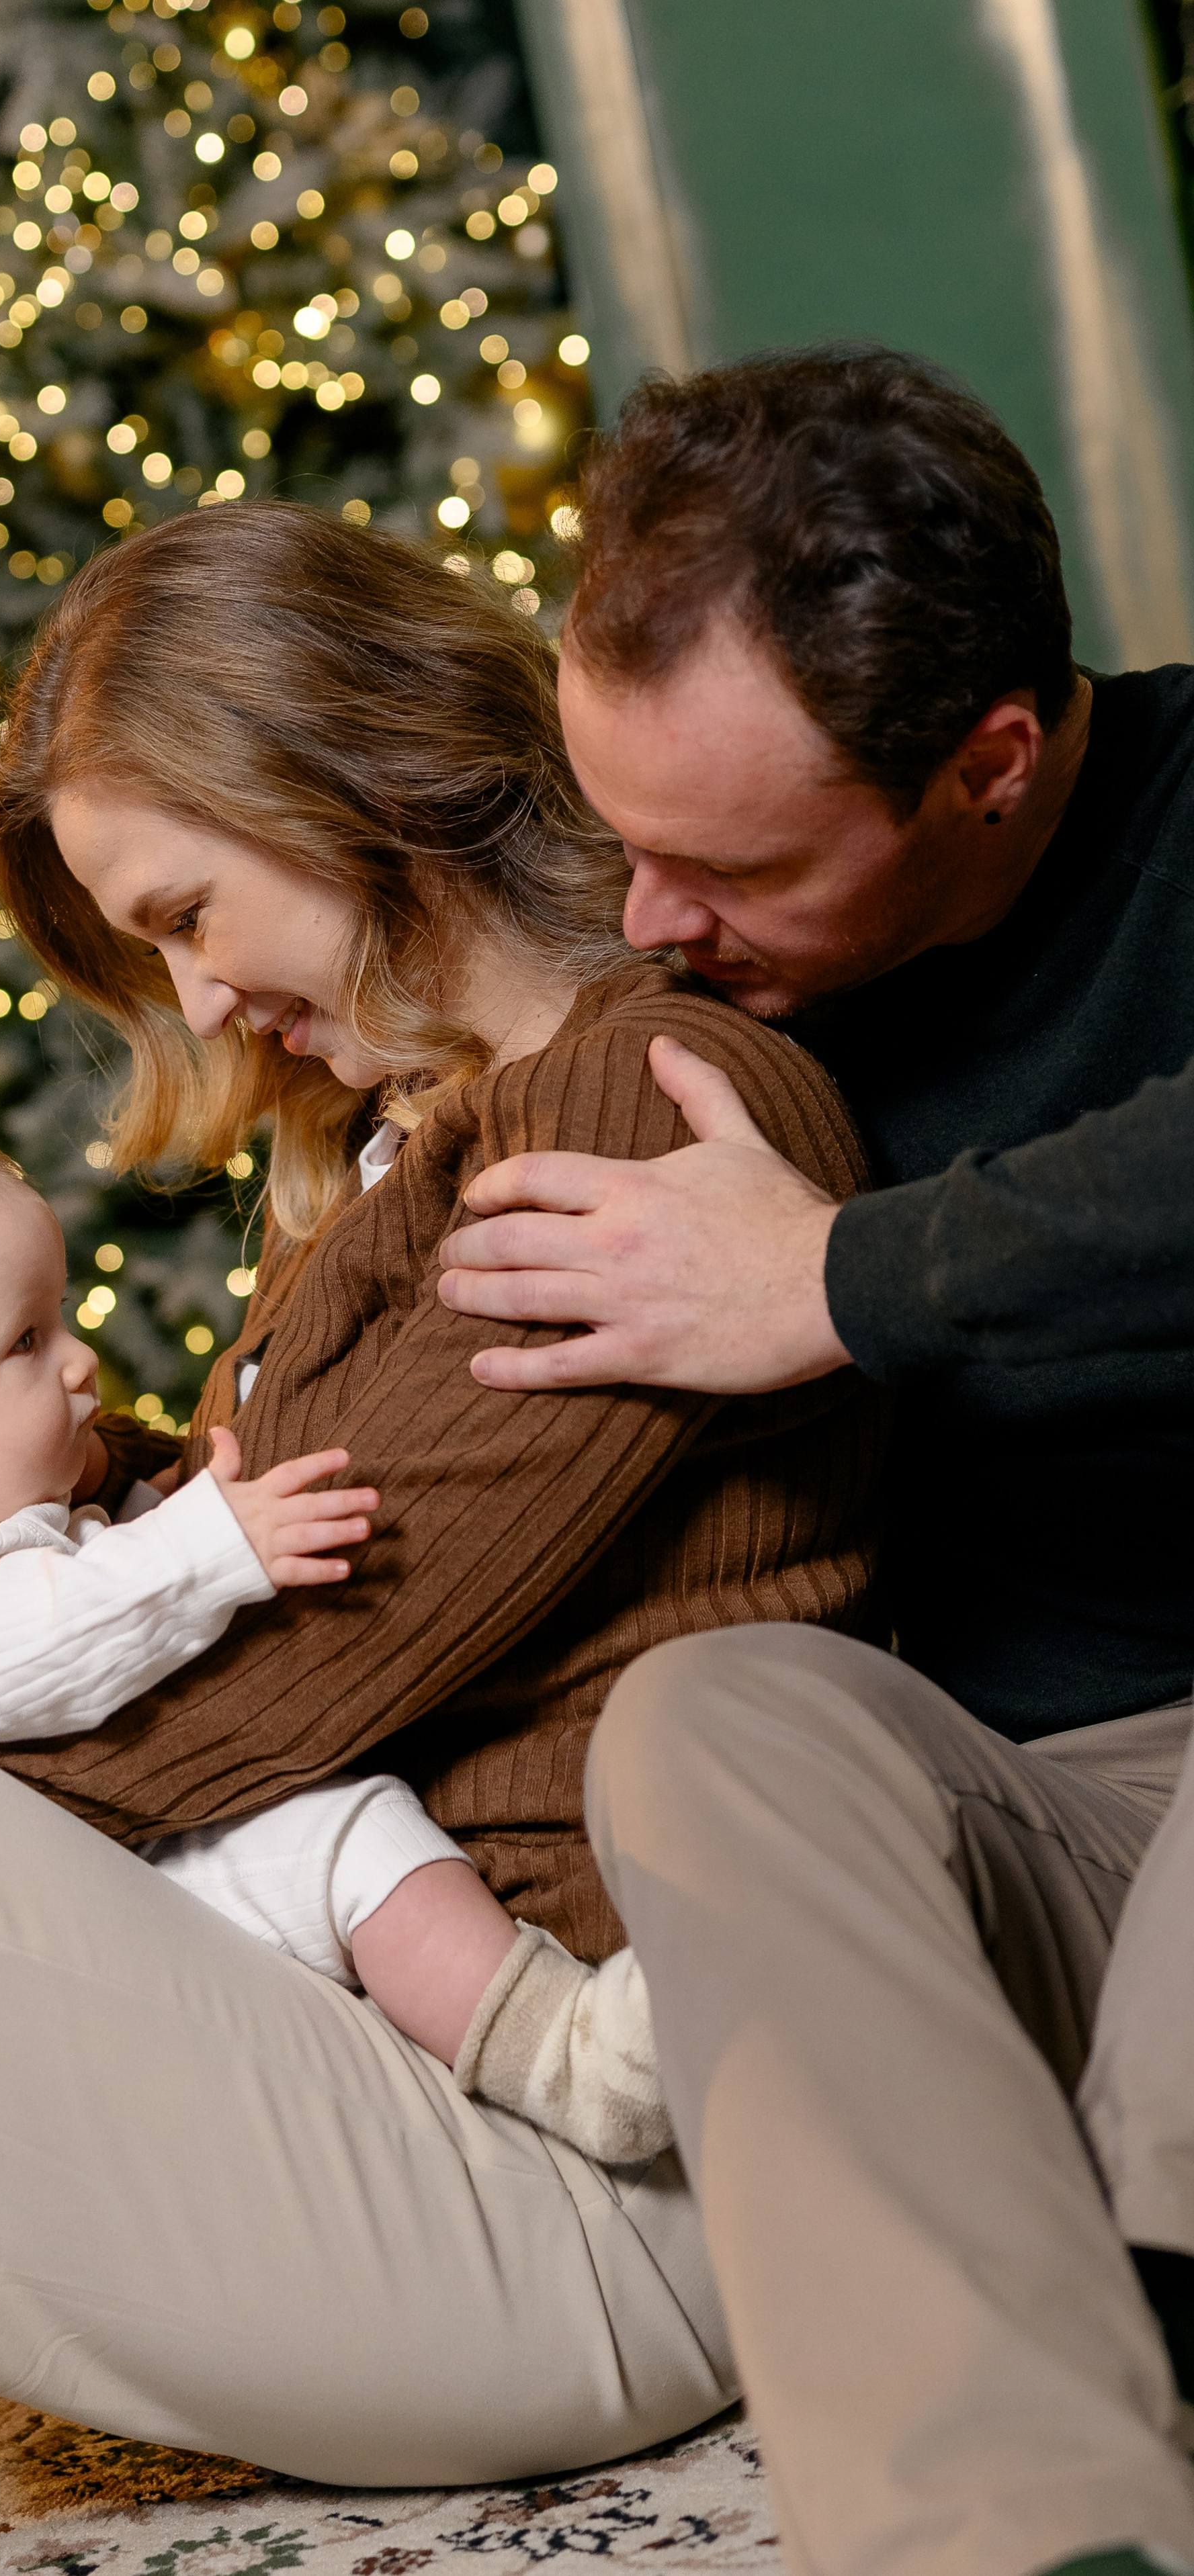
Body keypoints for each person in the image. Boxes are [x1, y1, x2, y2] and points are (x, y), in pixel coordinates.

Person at [0, 500, 880, 2575]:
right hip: (367, 2018)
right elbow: (233, 1545)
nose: (202, 1001)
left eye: (191, 910)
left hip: (584, 2167)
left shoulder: (636, 1122)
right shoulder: (437, 1127)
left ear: (347, 784)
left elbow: (295, 1674)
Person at [437, 346, 1194, 2574]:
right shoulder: (706, 996)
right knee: (716, 1718)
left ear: (987, 763)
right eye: (624, 842)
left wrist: (849, 1278)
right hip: (1021, 1827)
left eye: (726, 864)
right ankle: (1028, 2540)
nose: (655, 919)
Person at [0, 1110, 668, 2161]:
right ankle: (571, 2062)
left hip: (66, 1882)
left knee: (338, 1834)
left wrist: (150, 1509)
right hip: (16, 1948)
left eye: (59, 1318)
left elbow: (62, 1577)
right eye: (24, 1342)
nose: (78, 1363)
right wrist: (205, 1548)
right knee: (345, 1835)